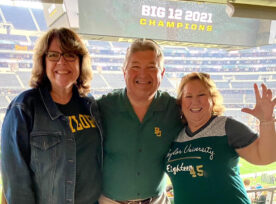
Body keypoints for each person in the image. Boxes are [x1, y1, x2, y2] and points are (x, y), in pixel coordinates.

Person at [1, 27, 103, 204]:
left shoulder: (90, 106)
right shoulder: (23, 108)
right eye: (53, 55)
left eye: (70, 55)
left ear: (80, 62)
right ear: (43, 61)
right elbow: (16, 181)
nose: (62, 62)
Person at [165, 72, 276, 204]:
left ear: (212, 99)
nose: (195, 101)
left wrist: (267, 121)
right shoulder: (174, 134)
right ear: (181, 102)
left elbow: (266, 157)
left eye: (201, 95)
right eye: (188, 96)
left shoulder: (227, 126)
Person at [97, 39, 183, 204]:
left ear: (162, 73)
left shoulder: (174, 110)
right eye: (135, 67)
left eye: (151, 67)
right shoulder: (103, 107)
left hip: (156, 200)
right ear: (124, 72)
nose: (143, 74)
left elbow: (204, 126)